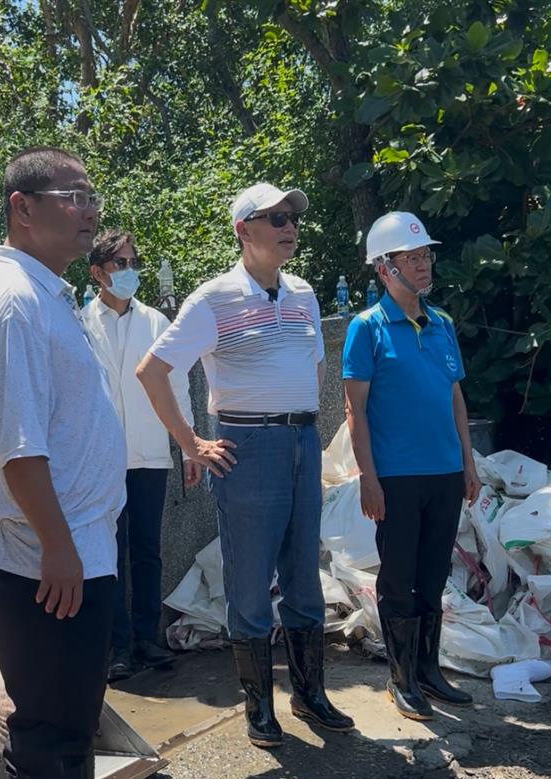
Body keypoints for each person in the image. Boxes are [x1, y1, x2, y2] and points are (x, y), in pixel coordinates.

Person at [0, 146, 151, 779]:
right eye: (71, 196)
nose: (90, 210)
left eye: (91, 194)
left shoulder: (48, 293)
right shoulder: (11, 301)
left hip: (75, 546)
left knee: (77, 703)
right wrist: (60, 546)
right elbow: (18, 447)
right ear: (22, 208)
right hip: (46, 556)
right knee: (46, 718)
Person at [137, 182, 353, 748]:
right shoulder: (214, 298)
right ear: (243, 230)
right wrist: (191, 444)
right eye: (274, 218)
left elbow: (315, 371)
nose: (289, 226)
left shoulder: (304, 293)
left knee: (305, 574)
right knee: (250, 580)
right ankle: (260, 708)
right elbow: (153, 372)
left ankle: (310, 694)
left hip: (302, 443)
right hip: (247, 446)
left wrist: (308, 431)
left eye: (292, 218)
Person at [342, 211, 481, 721]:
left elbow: (455, 399)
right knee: (398, 577)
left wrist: (467, 463)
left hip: (444, 473)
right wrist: (368, 479)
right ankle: (401, 678)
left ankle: (429, 670)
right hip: (397, 478)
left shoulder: (441, 324)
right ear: (385, 269)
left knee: (434, 572)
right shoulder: (367, 328)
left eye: (426, 256)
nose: (423, 266)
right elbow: (354, 409)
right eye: (412, 258)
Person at [83, 229, 199, 680]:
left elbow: (178, 383)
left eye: (133, 262)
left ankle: (147, 637)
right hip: (102, 458)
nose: (129, 272)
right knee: (109, 553)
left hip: (150, 452)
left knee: (147, 549)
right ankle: (117, 647)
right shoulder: (80, 323)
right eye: (119, 264)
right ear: (97, 272)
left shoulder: (155, 322)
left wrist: (187, 444)